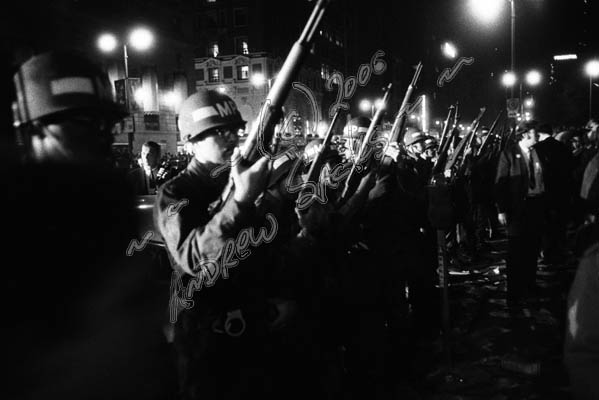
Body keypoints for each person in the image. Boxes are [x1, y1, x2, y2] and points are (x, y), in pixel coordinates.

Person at [6, 50, 175, 399]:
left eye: (106, 126)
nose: (101, 140)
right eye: (82, 124)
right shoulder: (18, 225)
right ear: (28, 131)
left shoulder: (105, 203)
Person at [154, 89, 317, 400]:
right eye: (218, 132)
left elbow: (262, 249)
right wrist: (240, 200)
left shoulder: (241, 179)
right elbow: (193, 257)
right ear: (193, 140)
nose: (230, 138)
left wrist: (281, 298)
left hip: (257, 328)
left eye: (234, 131)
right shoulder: (175, 194)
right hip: (208, 341)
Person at [495, 121, 546, 307]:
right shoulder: (509, 154)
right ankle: (514, 293)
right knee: (516, 251)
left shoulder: (537, 153)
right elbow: (500, 185)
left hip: (536, 206)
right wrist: (502, 210)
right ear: (524, 135)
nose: (538, 136)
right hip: (517, 210)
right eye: (534, 133)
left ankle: (529, 285)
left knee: (532, 248)